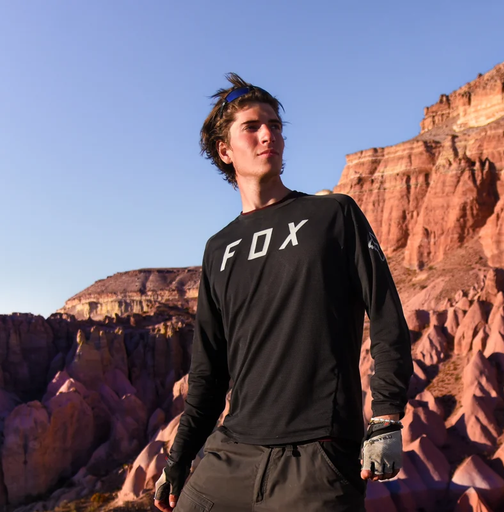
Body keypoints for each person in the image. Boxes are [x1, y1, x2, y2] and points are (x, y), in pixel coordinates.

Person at [154, 73, 413, 512]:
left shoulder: (332, 214)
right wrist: (178, 459)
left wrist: (386, 416)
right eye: (252, 127)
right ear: (224, 150)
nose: (268, 135)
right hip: (231, 452)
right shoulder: (219, 248)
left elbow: (386, 316)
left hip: (318, 456)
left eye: (275, 125)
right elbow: (208, 370)